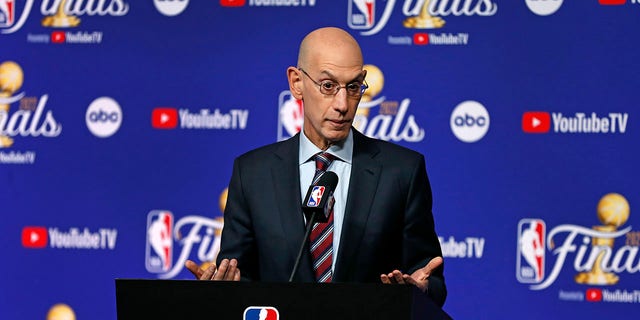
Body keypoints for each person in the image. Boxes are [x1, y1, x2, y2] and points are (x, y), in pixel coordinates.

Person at [186, 26, 447, 306]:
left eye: (354, 87)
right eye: (328, 86)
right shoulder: (252, 174)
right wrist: (221, 292)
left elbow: (430, 278)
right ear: (296, 82)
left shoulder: (402, 171)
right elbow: (240, 278)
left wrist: (419, 291)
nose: (342, 104)